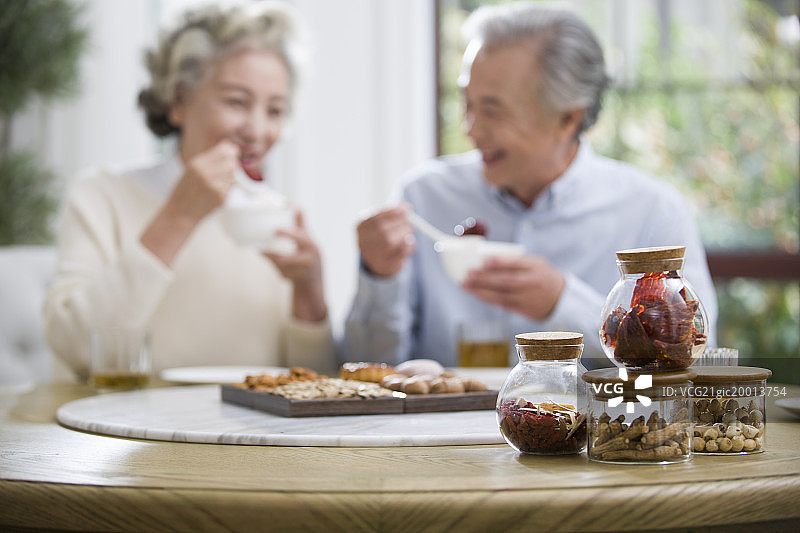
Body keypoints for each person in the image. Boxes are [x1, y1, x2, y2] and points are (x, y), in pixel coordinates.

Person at [342, 2, 718, 370]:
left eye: (492, 111)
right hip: (436, 433)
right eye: (465, 103)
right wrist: (379, 276)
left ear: (568, 118)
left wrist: (563, 304)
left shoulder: (651, 213)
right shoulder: (423, 198)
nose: (469, 129)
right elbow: (363, 367)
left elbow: (688, 364)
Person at [43, 2, 336, 378]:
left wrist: (310, 291)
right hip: (124, 430)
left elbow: (311, 384)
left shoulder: (275, 216)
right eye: (237, 102)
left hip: (247, 435)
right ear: (179, 101)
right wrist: (179, 216)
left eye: (275, 110)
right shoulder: (101, 196)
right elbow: (77, 347)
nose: (257, 131)